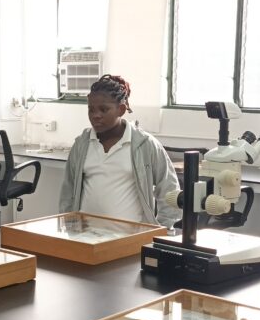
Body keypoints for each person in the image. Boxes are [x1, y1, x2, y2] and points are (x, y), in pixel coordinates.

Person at [59, 74, 180, 227]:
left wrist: (163, 231)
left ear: (121, 110)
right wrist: (69, 227)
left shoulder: (145, 144)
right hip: (87, 236)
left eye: (104, 109)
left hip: (130, 238)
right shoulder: (82, 144)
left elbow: (169, 191)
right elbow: (68, 192)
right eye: (91, 110)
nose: (96, 116)